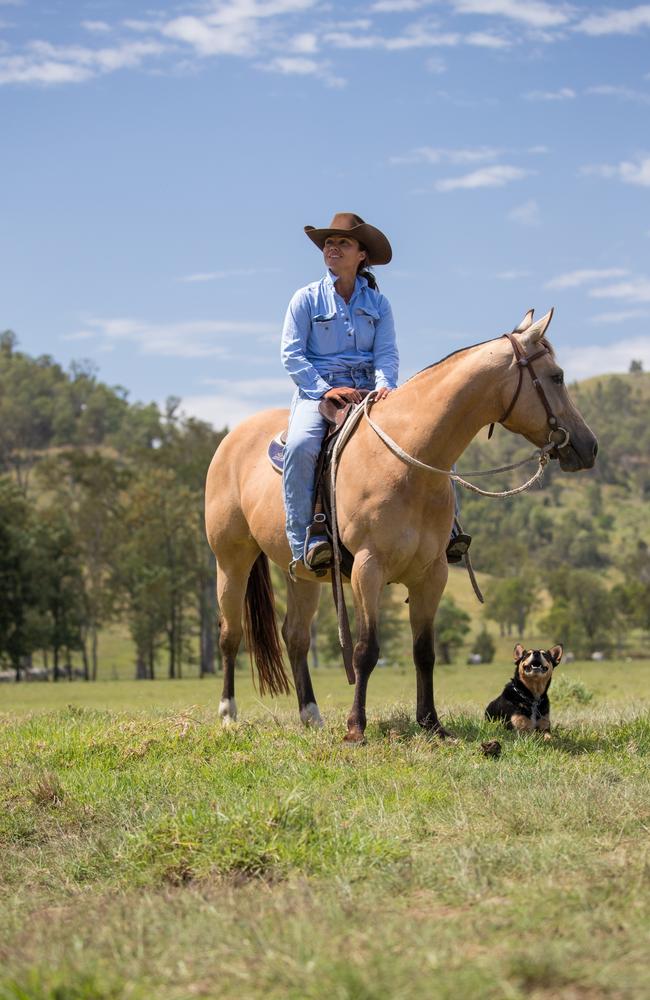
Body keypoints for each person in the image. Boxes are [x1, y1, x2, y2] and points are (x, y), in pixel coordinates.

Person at [280, 211, 470, 574]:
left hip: (369, 390)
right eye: (329, 244)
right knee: (302, 446)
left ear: (361, 254)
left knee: (435, 441)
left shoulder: (379, 305)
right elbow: (291, 354)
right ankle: (306, 538)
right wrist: (324, 389)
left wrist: (385, 386)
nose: (333, 249)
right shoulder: (305, 299)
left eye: (343, 243)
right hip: (318, 391)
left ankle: (447, 528)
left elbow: (386, 353)